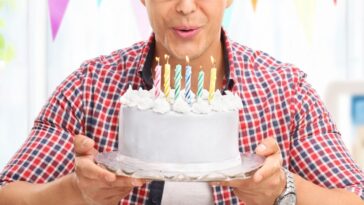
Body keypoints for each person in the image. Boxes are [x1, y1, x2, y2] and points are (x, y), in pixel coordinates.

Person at [1, 0, 363, 204]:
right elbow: (9, 195)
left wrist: (282, 191)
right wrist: (74, 192)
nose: (186, 7)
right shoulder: (90, 87)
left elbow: (353, 199)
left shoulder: (284, 91)